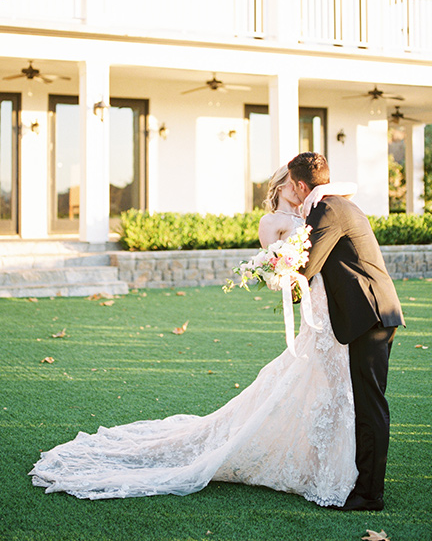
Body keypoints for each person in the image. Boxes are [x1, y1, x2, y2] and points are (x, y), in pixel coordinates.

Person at [29, 165, 358, 507]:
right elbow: (279, 268)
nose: (294, 188)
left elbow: (346, 196)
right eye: (289, 183)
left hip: (330, 298)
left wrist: (319, 199)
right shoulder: (271, 221)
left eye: (297, 183)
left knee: (321, 379)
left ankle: (320, 454)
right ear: (280, 186)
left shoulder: (317, 208)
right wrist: (286, 271)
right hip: (312, 298)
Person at [288, 152, 405, 512]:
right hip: (371, 315)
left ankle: (370, 494)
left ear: (300, 185)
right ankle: (363, 482)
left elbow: (307, 267)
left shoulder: (328, 210)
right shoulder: (337, 204)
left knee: (371, 407)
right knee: (366, 405)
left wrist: (284, 281)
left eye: (292, 186)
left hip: (370, 317)